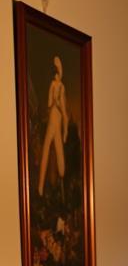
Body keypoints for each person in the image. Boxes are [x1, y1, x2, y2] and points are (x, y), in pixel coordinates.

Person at [37, 54, 68, 196]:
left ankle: (41, 187)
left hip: (55, 118)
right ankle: (41, 187)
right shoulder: (58, 86)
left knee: (47, 148)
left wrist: (66, 132)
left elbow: (52, 104)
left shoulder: (58, 87)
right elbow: (59, 108)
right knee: (51, 149)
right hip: (57, 118)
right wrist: (65, 132)